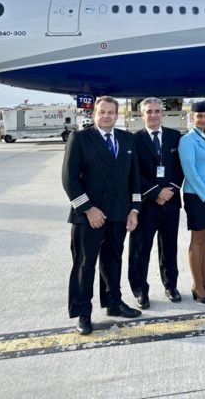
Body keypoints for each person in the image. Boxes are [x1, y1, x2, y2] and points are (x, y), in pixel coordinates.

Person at [62, 96, 141, 335]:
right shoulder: (80, 138)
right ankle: (82, 312)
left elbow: (134, 178)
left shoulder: (127, 139)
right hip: (88, 216)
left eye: (111, 112)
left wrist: (134, 210)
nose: (106, 116)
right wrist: (88, 209)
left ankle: (114, 302)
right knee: (85, 265)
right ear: (94, 114)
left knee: (113, 261)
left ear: (118, 115)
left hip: (118, 214)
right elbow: (69, 178)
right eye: (102, 112)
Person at [128, 98, 184, 309]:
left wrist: (170, 191)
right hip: (146, 204)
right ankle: (140, 290)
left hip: (170, 202)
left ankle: (171, 285)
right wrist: (156, 192)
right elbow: (133, 174)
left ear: (163, 113)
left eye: (157, 111)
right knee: (141, 248)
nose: (153, 115)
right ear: (142, 115)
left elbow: (181, 168)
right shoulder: (134, 140)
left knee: (169, 247)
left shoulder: (174, 137)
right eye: (149, 112)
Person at [178, 100, 205, 303]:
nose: (203, 120)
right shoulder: (188, 140)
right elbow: (190, 172)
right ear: (192, 117)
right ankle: (197, 285)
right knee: (197, 239)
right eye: (199, 116)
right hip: (196, 195)